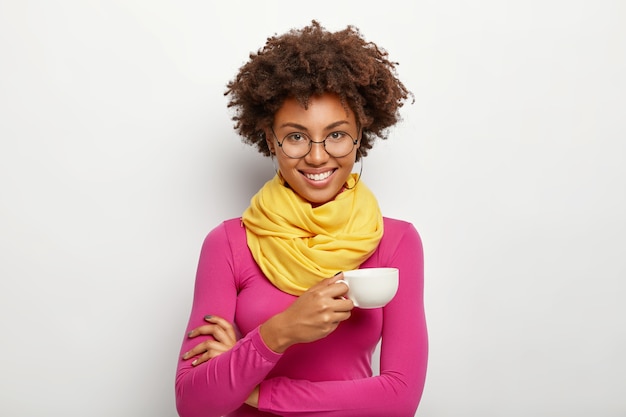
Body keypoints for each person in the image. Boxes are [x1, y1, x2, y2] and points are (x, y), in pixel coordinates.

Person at [175, 20, 428, 417]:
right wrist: (280, 332)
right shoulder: (228, 244)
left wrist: (256, 392)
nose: (316, 156)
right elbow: (193, 404)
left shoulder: (395, 243)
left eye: (337, 134)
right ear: (270, 138)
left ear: (361, 133)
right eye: (295, 136)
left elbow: (399, 399)